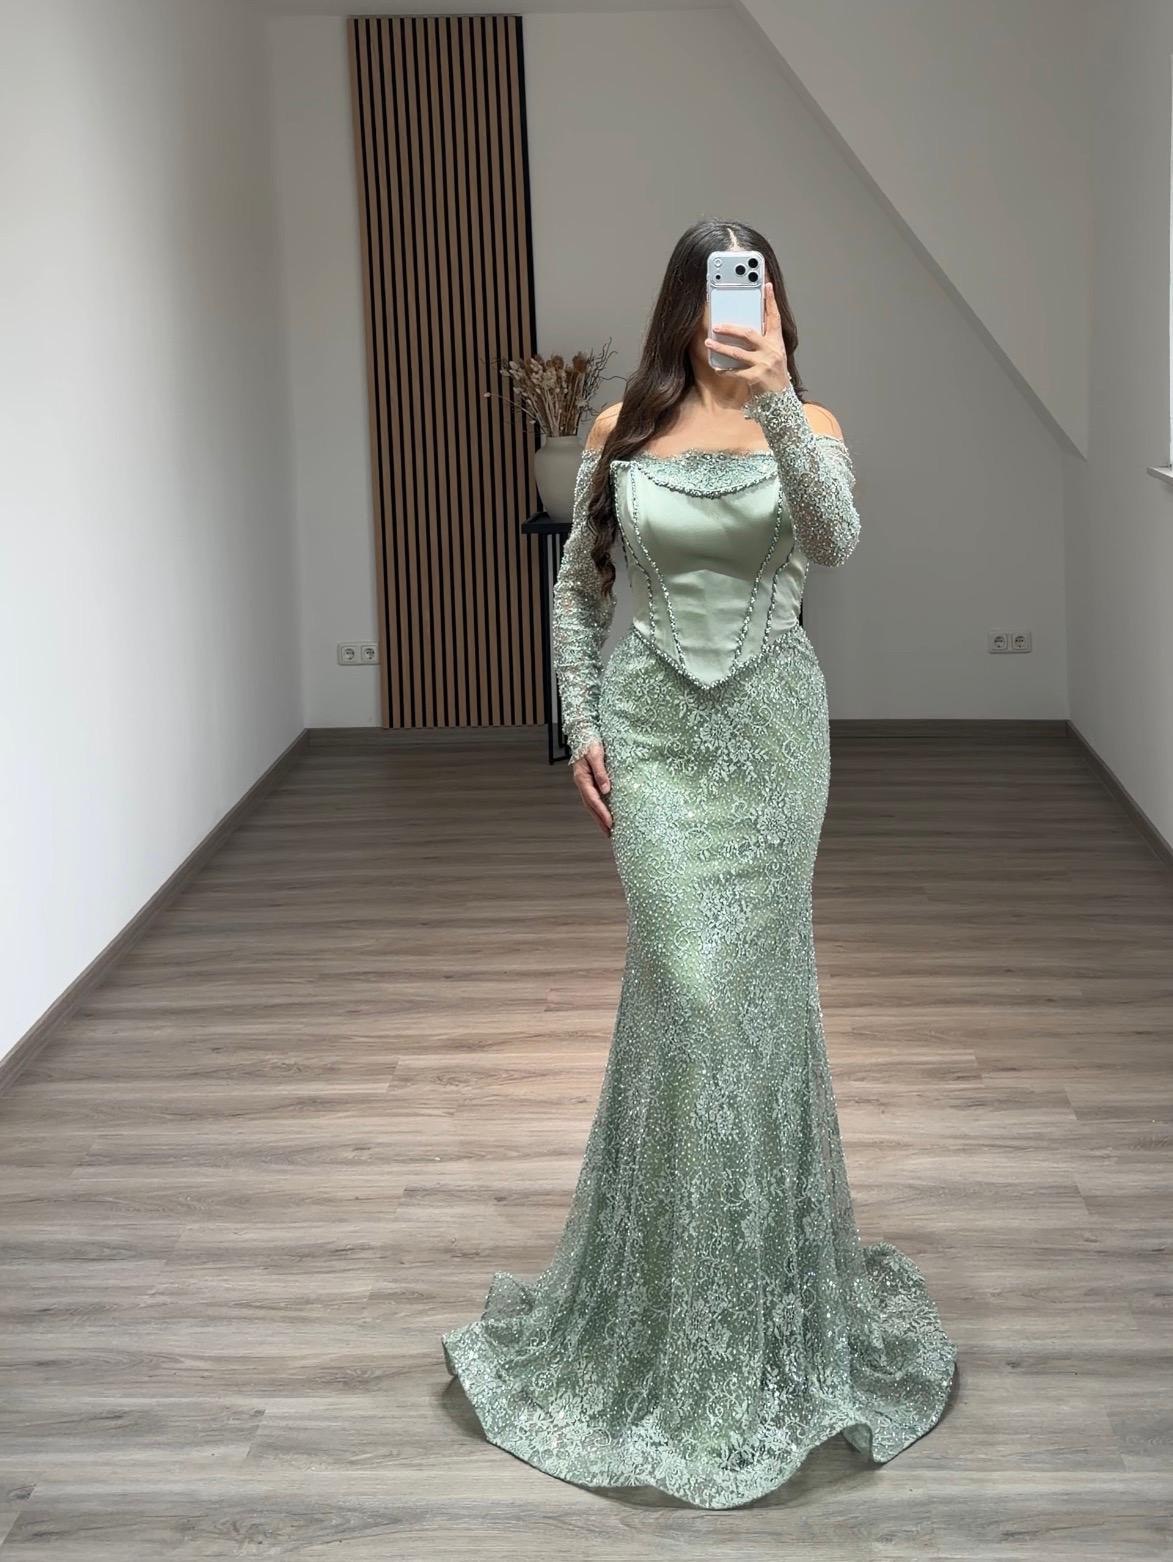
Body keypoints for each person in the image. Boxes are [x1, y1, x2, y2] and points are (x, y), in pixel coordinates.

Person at [441, 219, 957, 1509]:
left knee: (753, 999)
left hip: (775, 744)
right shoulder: (622, 427)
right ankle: (665, 1298)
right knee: (688, 986)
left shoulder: (809, 424)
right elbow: (579, 586)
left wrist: (775, 396)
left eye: (761, 288)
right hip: (659, 743)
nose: (744, 307)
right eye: (728, 289)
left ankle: (768, 1291)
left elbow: (835, 540)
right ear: (687, 303)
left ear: (776, 304)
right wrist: (582, 722)